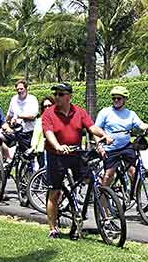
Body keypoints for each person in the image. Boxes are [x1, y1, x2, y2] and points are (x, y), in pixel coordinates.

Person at [42, 82, 112, 240]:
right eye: (55, 94)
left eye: (61, 94)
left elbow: (91, 127)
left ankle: (79, 205)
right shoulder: (49, 113)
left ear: (69, 97)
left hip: (75, 153)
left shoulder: (79, 112)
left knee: (88, 179)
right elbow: (48, 132)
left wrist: (104, 135)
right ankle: (53, 228)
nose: (57, 97)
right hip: (56, 155)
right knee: (54, 192)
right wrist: (58, 146)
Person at [95, 86, 148, 189]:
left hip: (126, 146)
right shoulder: (105, 112)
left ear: (125, 99)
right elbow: (96, 129)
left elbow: (140, 124)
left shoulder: (130, 114)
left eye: (119, 98)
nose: (116, 100)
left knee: (133, 172)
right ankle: (103, 197)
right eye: (114, 98)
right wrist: (100, 146)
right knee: (109, 175)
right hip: (110, 148)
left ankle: (134, 195)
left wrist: (147, 127)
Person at [6, 79, 39, 150]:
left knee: (31, 153)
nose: (19, 91)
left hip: (30, 132)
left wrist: (18, 116)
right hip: (18, 133)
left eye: (21, 89)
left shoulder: (32, 99)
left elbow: (33, 116)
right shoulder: (14, 99)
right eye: (17, 89)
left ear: (26, 89)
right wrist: (6, 124)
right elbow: (9, 115)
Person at [30, 95, 55, 169]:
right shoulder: (39, 121)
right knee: (44, 170)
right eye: (45, 106)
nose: (47, 108)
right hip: (42, 150)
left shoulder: (58, 119)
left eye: (49, 105)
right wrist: (33, 147)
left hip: (55, 150)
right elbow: (35, 135)